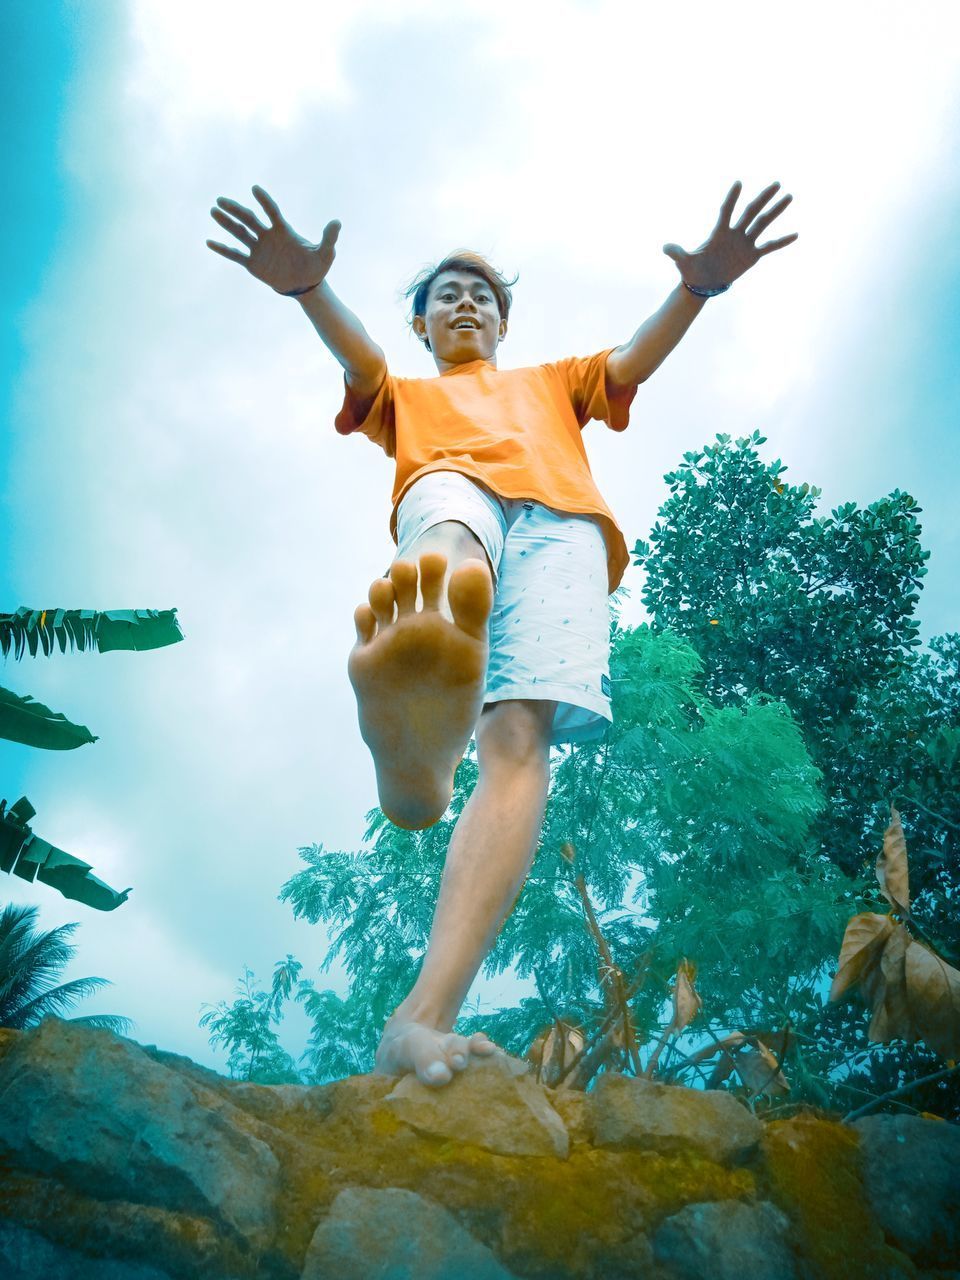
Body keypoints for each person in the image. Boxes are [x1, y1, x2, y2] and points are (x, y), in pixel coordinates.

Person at [206, 179, 797, 1088]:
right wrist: (307, 289)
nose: (467, 303)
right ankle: (435, 642)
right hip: (450, 489)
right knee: (447, 538)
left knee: (520, 739)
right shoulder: (404, 397)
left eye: (483, 294)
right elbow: (360, 364)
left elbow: (634, 361)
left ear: (505, 322)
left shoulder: (554, 383)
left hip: (565, 526)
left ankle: (420, 1012)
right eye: (448, 295)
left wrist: (700, 287)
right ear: (423, 327)